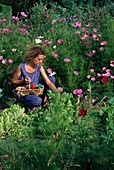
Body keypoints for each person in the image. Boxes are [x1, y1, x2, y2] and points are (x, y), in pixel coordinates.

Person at [11, 46, 59, 110]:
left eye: (42, 60)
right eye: (39, 59)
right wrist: (23, 81)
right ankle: (25, 107)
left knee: (51, 78)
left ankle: (44, 98)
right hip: (24, 93)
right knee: (37, 101)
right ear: (32, 57)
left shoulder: (39, 67)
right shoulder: (21, 67)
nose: (41, 62)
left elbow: (48, 82)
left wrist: (57, 92)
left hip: (35, 90)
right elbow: (13, 81)